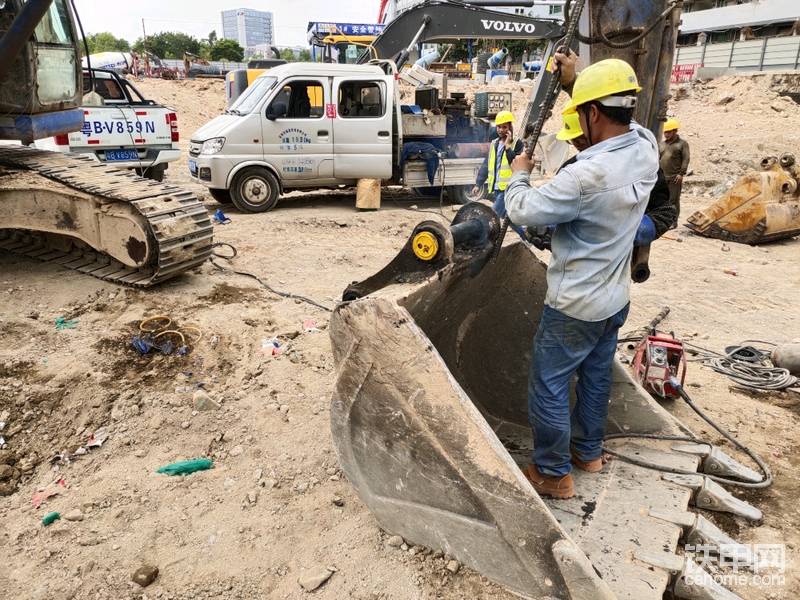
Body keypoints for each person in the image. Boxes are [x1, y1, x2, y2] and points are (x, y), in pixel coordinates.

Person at [504, 54, 659, 499]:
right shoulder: (645, 146)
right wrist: (577, 84)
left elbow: (523, 209)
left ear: (592, 114)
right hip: (615, 300)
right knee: (595, 376)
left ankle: (553, 473)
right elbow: (614, 121)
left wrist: (519, 176)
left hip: (574, 305)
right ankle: (588, 453)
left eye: (583, 113)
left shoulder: (586, 175)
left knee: (549, 384)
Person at [527, 112, 675, 251]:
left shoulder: (640, 163)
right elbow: (556, 210)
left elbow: (665, 212)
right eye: (574, 140)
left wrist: (633, 232)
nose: (578, 145)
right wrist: (551, 229)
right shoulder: (571, 169)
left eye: (581, 138)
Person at [472, 111, 526, 239]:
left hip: (508, 188)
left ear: (510, 128)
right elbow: (487, 164)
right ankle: (526, 236)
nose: (501, 130)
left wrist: (508, 146)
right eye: (499, 127)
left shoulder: (517, 143)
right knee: (508, 217)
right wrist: (478, 183)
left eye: (504, 127)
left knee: (492, 215)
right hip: (496, 188)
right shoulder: (494, 143)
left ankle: (482, 241)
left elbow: (515, 163)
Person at [659, 117, 690, 228]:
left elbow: (686, 159)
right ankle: (664, 220)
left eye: (668, 132)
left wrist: (681, 173)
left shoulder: (682, 144)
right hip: (662, 177)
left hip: (674, 178)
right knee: (662, 200)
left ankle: (673, 222)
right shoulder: (662, 144)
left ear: (675, 131)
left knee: (673, 201)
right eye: (665, 132)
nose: (666, 134)